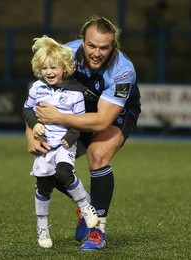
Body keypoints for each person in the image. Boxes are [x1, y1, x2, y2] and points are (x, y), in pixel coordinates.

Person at [26, 15, 141, 250]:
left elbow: (101, 121)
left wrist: (58, 117)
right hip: (75, 109)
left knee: (97, 154)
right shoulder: (64, 54)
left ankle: (97, 230)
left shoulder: (122, 71)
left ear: (113, 46)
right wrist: (31, 134)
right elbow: (38, 97)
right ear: (81, 41)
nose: (97, 53)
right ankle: (86, 204)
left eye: (104, 47)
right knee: (49, 165)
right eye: (91, 46)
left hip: (114, 112)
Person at [23, 35, 99, 249]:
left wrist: (70, 137)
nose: (49, 72)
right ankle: (43, 226)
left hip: (65, 144)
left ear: (64, 68)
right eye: (45, 67)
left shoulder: (75, 92)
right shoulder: (37, 88)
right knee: (44, 186)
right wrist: (34, 124)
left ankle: (85, 207)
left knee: (65, 173)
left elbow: (79, 120)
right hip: (44, 146)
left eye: (54, 67)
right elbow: (28, 109)